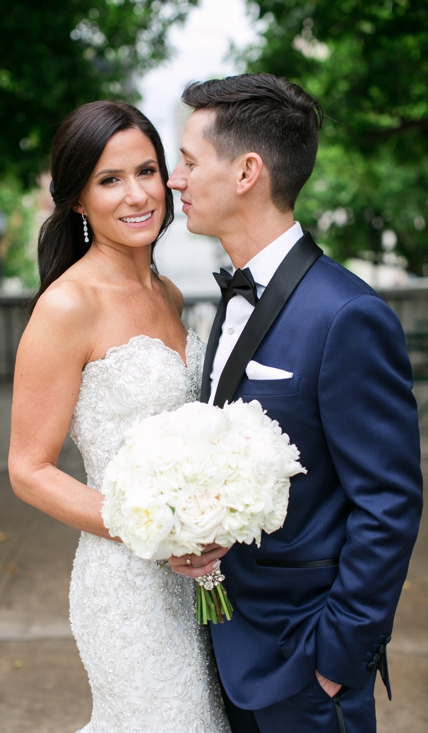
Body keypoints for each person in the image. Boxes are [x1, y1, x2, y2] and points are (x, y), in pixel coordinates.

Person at [166, 73, 423, 733]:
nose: (175, 179)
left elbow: (388, 502)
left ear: (248, 170)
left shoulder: (349, 314)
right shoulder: (230, 297)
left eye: (190, 161)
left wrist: (335, 658)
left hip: (305, 664)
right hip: (227, 652)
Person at [8, 101, 230, 731]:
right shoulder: (66, 306)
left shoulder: (170, 293)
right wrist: (156, 532)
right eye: (110, 180)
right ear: (78, 198)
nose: (137, 195)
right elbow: (28, 470)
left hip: (199, 575)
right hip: (127, 581)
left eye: (148, 171)